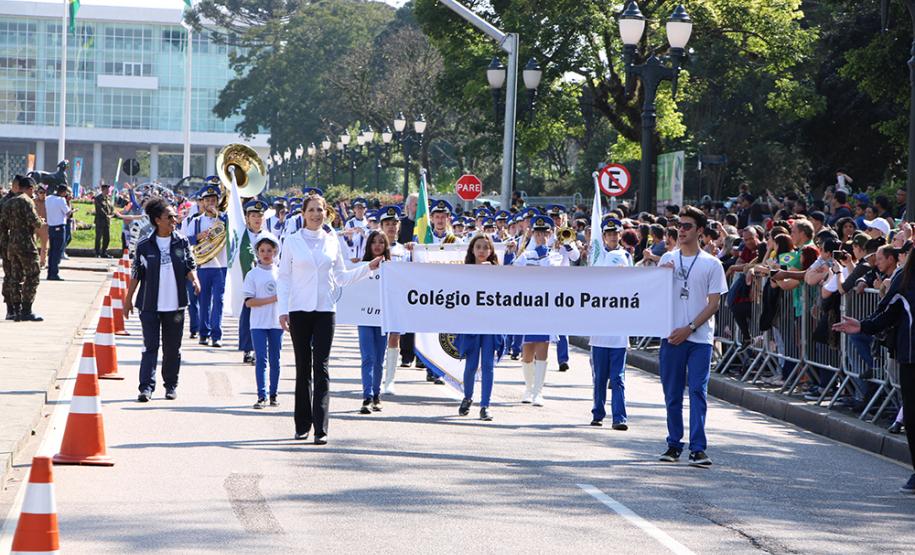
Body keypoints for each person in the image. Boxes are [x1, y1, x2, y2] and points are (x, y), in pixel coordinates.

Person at [277, 192, 382, 444]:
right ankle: (302, 424)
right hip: (299, 310)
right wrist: (282, 309)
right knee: (303, 368)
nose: (316, 214)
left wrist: (368, 268)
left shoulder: (332, 239)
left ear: (326, 213)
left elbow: (342, 277)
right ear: (302, 214)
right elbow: (283, 277)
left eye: (320, 210)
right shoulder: (292, 241)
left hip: (325, 310)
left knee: (321, 367)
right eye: (311, 210)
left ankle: (321, 428)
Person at [834, 248, 915, 493]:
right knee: (911, 416)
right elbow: (886, 314)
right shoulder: (905, 277)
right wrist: (862, 325)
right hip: (911, 358)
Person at [657, 205, 728, 467]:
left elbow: (713, 304)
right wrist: (660, 278)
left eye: (687, 226)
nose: (681, 230)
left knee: (698, 391)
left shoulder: (712, 264)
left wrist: (690, 327)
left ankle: (698, 448)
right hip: (672, 337)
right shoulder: (667, 260)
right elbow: (654, 297)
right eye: (679, 225)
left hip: (699, 339)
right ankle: (674, 444)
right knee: (672, 393)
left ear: (699, 231)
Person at [123, 196, 200, 402]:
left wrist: (195, 280)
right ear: (158, 220)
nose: (174, 220)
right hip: (149, 305)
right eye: (170, 216)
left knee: (172, 348)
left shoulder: (181, 241)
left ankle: (170, 385)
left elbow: (189, 265)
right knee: (150, 347)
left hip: (175, 306)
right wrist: (128, 299)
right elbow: (136, 273)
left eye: (175, 216)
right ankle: (146, 387)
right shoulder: (144, 245)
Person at [506, 215, 561, 406]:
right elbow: (515, 271)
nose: (540, 236)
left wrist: (543, 253)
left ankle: (539, 391)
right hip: (528, 308)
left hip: (546, 308)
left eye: (544, 233)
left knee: (542, 349)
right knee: (527, 351)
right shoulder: (526, 255)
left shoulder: (555, 255)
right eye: (537, 233)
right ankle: (528, 388)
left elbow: (552, 274)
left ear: (550, 234)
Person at [589, 218, 632, 429]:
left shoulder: (625, 256)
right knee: (599, 379)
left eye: (616, 234)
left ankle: (619, 417)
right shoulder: (596, 256)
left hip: (619, 329)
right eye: (609, 234)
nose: (613, 237)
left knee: (618, 378)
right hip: (599, 328)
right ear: (603, 236)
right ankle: (598, 413)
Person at [455, 235, 503, 421]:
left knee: (488, 366)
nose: (482, 250)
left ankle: (485, 405)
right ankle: (467, 397)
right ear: (472, 250)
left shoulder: (497, 271)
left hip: (491, 324)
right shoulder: (465, 271)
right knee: (471, 364)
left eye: (485, 247)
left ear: (491, 251)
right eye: (478, 247)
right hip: (471, 322)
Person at [243, 234, 283, 409]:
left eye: (269, 250)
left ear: (275, 252)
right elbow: (249, 302)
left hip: (276, 323)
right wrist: (272, 299)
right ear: (257, 253)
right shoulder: (252, 274)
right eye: (262, 251)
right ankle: (262, 395)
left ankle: (273, 394)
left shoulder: (282, 274)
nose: (266, 254)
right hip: (258, 323)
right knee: (261, 359)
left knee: (276, 359)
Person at [187, 182, 228, 347]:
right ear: (202, 202)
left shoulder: (225, 218)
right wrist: (198, 237)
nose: (210, 202)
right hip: (203, 266)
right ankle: (203, 333)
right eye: (207, 199)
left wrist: (219, 215)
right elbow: (185, 240)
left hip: (221, 265)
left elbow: (234, 231)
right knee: (204, 301)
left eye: (213, 199)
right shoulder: (196, 221)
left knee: (218, 300)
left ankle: (216, 335)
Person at [0, 176, 43, 321]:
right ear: (30, 188)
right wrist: (41, 222)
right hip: (26, 244)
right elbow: (35, 222)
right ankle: (26, 309)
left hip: (11, 243)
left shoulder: (8, 202)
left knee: (15, 277)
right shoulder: (27, 201)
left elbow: (3, 225)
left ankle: (15, 310)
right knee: (33, 274)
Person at [357, 230, 390, 414]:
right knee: (367, 357)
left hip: (382, 319)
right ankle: (367, 396)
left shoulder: (392, 268)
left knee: (379, 359)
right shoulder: (362, 267)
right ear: (369, 245)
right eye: (374, 242)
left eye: (381, 242)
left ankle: (377, 395)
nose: (377, 245)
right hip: (364, 318)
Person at [378, 206, 406, 395]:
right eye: (387, 224)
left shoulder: (404, 250)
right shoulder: (375, 247)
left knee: (394, 338)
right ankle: (376, 377)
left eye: (394, 224)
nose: (391, 227)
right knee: (378, 340)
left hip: (397, 299)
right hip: (377, 299)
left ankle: (390, 380)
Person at [238, 199, 268, 365]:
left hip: (265, 282)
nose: (257, 219)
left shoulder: (268, 236)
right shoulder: (241, 234)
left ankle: (260, 350)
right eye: (254, 215)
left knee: (264, 317)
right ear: (247, 218)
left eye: (260, 216)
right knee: (248, 316)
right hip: (247, 281)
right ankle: (247, 349)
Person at [0, 178, 20, 319]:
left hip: (16, 244)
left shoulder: (18, 200)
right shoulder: (6, 202)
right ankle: (10, 308)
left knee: (17, 275)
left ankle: (16, 307)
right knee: (10, 275)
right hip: (7, 244)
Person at [45, 184, 71, 281]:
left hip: (51, 227)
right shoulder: (61, 200)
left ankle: (50, 272)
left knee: (52, 251)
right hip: (60, 227)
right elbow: (68, 213)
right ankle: (54, 273)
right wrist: (69, 202)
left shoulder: (48, 198)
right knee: (58, 251)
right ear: (63, 192)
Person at [94, 183, 114, 258]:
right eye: (107, 189)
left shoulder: (108, 198)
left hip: (107, 221)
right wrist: (107, 215)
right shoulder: (98, 198)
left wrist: (112, 214)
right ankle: (97, 253)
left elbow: (111, 208)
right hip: (100, 221)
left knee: (107, 238)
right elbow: (99, 209)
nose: (109, 190)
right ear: (103, 190)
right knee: (99, 237)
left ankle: (104, 252)